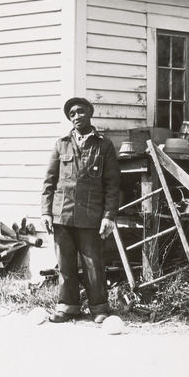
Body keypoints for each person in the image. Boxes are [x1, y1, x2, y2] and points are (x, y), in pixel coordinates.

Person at [40, 97, 120, 324]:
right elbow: (49, 182)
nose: (76, 117)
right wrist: (46, 212)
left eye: (81, 112)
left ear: (90, 113)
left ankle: (99, 309)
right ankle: (68, 307)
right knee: (65, 265)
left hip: (91, 215)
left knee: (93, 264)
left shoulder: (103, 145)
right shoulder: (61, 144)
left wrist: (109, 216)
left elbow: (112, 184)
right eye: (72, 114)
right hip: (62, 214)